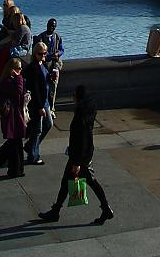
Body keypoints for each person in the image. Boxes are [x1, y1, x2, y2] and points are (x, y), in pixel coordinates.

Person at [39, 84, 113, 226]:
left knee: (77, 182)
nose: (73, 98)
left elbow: (81, 140)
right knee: (77, 182)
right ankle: (105, 209)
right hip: (84, 154)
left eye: (74, 95)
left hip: (79, 157)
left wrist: (77, 163)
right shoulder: (87, 113)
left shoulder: (80, 117)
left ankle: (56, 212)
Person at [0, 59, 27, 178]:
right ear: (12, 70)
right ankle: (13, 169)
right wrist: (19, 78)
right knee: (15, 142)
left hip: (16, 115)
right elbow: (19, 91)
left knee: (16, 142)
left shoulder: (11, 81)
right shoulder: (8, 81)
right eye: (18, 68)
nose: (20, 71)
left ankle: (17, 169)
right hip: (12, 116)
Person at [24, 41, 52, 164]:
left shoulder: (43, 65)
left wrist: (51, 78)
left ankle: (30, 146)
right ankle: (33, 156)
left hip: (45, 101)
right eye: (41, 54)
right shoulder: (33, 68)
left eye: (45, 53)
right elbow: (35, 88)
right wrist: (40, 106)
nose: (43, 56)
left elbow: (44, 82)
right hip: (38, 103)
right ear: (35, 54)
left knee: (48, 124)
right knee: (37, 130)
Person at [35, 18, 64, 112]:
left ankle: (52, 108)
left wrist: (58, 53)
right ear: (47, 25)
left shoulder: (58, 37)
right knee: (44, 86)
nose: (51, 28)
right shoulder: (41, 37)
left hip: (55, 65)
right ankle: (44, 106)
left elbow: (61, 49)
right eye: (50, 26)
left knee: (53, 87)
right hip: (44, 65)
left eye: (53, 26)